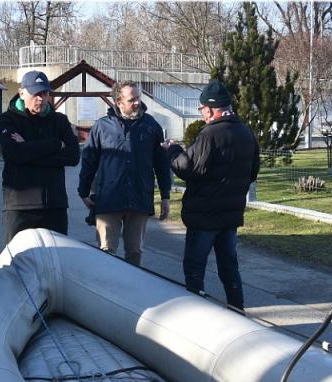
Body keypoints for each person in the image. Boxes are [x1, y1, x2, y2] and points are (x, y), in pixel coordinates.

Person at [163, 80, 260, 312]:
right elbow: (253, 171)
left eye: (201, 109)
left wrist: (173, 150)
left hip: (205, 215)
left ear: (209, 109)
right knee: (229, 266)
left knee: (195, 267)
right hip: (231, 215)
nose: (201, 114)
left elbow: (188, 168)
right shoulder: (246, 132)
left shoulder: (210, 134)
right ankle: (237, 309)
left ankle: (196, 312)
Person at [78, 81, 171, 266]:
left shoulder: (151, 126)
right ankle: (106, 284)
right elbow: (89, 161)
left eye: (138, 98)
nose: (137, 103)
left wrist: (165, 196)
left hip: (139, 198)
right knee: (106, 252)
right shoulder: (102, 127)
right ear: (118, 102)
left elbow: (161, 163)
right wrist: (84, 191)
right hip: (108, 200)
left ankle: (132, 285)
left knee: (135, 251)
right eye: (132, 100)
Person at [0, 70, 80, 241]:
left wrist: (28, 149)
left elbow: (73, 157)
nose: (41, 98)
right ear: (21, 93)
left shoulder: (60, 121)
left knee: (57, 257)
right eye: (35, 93)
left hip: (55, 205)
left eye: (45, 93)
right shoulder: (7, 120)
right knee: (20, 257)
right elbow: (16, 154)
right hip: (19, 206)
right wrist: (55, 144)